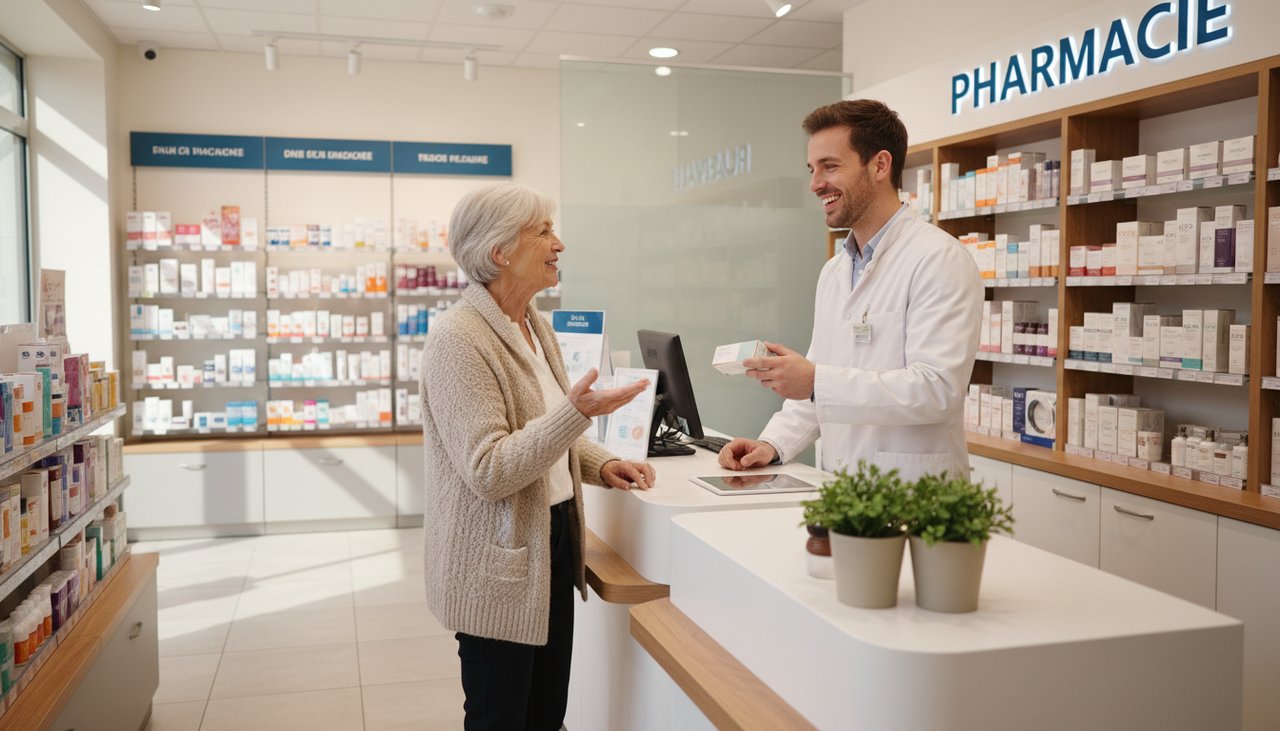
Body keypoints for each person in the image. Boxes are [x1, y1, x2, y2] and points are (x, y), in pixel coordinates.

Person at [420, 182, 657, 730]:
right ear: (500, 251)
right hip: (495, 566)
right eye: (543, 232)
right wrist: (577, 412)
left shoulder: (534, 324)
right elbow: (489, 468)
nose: (559, 244)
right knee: (501, 718)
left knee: (546, 715)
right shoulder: (458, 339)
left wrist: (601, 463)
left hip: (550, 545)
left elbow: (548, 433)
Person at [718, 99, 983, 482]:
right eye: (812, 169)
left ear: (879, 165)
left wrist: (815, 381)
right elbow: (818, 391)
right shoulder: (835, 272)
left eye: (830, 166)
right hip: (841, 487)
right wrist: (772, 444)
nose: (815, 184)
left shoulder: (939, 259)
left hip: (912, 490)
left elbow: (938, 389)